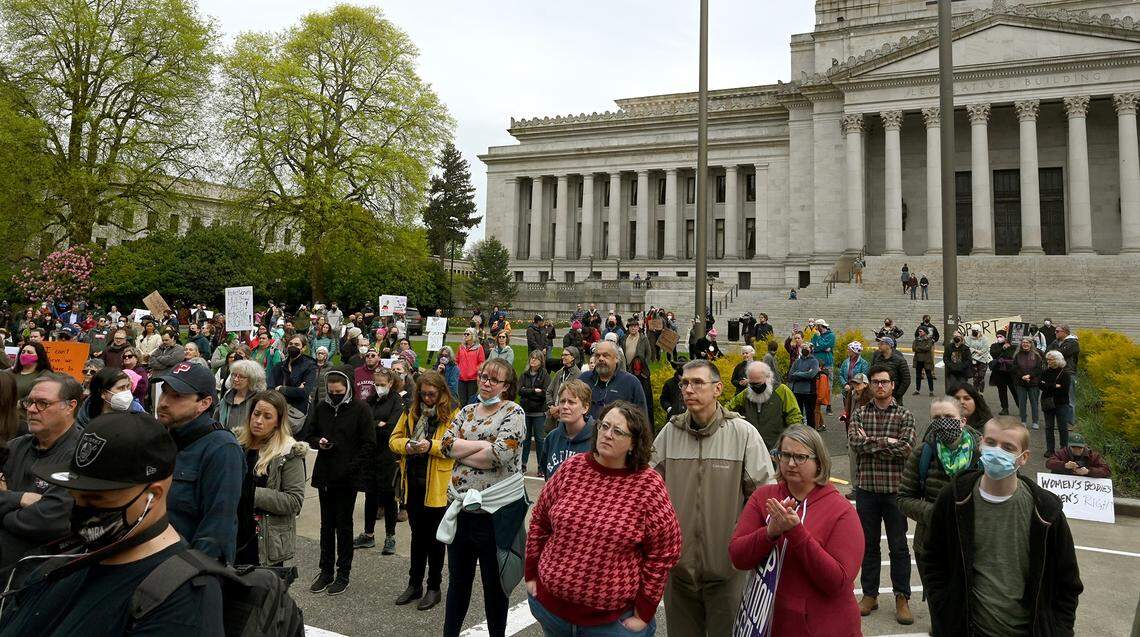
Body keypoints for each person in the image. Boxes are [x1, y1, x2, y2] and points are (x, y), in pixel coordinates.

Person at [0, 412, 225, 636]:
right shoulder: (64, 561)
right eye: (75, 497)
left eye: (97, 499)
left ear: (153, 495)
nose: (81, 510)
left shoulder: (182, 595)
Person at [525, 401, 681, 636]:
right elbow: (540, 521)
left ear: (633, 444)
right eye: (604, 426)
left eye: (618, 431)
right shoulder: (572, 469)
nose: (607, 434)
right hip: (552, 611)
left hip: (609, 624)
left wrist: (643, 613)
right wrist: (531, 574)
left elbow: (664, 553)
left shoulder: (648, 486)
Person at [921, 416, 1083, 636]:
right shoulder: (955, 497)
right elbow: (933, 558)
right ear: (980, 445)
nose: (996, 451)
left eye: (1008, 447)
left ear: (1023, 457)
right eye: (990, 442)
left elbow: (1067, 582)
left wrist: (1060, 631)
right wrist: (943, 612)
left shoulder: (1045, 510)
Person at [652, 359, 775, 637]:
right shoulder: (670, 434)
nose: (688, 389)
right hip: (678, 573)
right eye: (684, 383)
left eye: (697, 382)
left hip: (728, 573)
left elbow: (764, 497)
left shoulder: (742, 434)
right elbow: (646, 491)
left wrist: (744, 544)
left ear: (718, 388)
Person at [730, 426, 863, 636]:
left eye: (800, 457)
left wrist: (797, 533)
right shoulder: (763, 497)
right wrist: (769, 533)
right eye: (785, 455)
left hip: (825, 628)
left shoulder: (841, 511)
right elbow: (738, 557)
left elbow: (837, 582)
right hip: (769, 624)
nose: (791, 463)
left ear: (819, 462)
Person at [438, 358, 528, 637]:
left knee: (494, 586)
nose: (486, 383)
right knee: (458, 583)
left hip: (495, 516)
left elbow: (500, 454)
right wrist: (482, 445)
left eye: (494, 379)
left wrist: (464, 451)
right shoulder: (465, 410)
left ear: (506, 385)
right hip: (462, 511)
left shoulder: (514, 412)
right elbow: (445, 446)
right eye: (483, 377)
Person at [897, 397, 981, 620]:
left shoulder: (982, 452)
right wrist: (935, 513)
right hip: (932, 542)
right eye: (937, 418)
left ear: (962, 421)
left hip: (974, 543)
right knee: (939, 606)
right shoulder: (923, 453)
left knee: (971, 606)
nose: (943, 422)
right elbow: (904, 497)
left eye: (949, 417)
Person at [153, 361, 244, 564]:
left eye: (176, 396)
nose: (164, 402)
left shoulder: (222, 448)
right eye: (164, 392)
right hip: (153, 565)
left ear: (203, 403)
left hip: (187, 574)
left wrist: (191, 578)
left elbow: (216, 530)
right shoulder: (162, 437)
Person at [849, 364, 917, 624]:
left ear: (892, 385)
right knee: (868, 545)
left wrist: (873, 442)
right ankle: (870, 595)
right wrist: (888, 441)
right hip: (867, 491)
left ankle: (902, 597)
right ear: (870, 385)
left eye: (884, 382)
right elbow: (856, 443)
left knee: (899, 546)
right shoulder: (859, 413)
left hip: (894, 492)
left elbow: (907, 447)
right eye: (875, 382)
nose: (879, 386)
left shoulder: (904, 415)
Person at [390, 371, 457, 611]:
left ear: (441, 393)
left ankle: (434, 587)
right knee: (417, 538)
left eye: (432, 394)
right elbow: (394, 439)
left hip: (437, 489)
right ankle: (414, 584)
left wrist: (431, 446)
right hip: (414, 486)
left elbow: (455, 446)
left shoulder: (453, 413)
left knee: (436, 541)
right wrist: (407, 445)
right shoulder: (412, 411)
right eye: (424, 394)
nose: (427, 398)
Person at [0, 374, 83, 567]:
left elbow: (52, 519)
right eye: (29, 402)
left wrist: (4, 506)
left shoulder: (81, 455)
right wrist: (20, 499)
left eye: (42, 403)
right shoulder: (13, 447)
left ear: (70, 406)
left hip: (38, 567)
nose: (30, 409)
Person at [305, 370, 375, 595]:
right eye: (331, 392)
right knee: (326, 526)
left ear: (347, 389)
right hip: (325, 473)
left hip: (347, 477)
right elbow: (310, 434)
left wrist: (350, 468)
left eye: (339, 392)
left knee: (344, 526)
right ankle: (325, 570)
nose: (335, 395)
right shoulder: (322, 408)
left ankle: (343, 572)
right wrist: (319, 442)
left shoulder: (360, 409)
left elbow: (368, 443)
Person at [234, 390, 306, 566]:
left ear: (278, 422)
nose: (258, 421)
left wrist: (251, 494)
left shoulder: (288, 451)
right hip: (233, 537)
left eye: (267, 417)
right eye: (256, 414)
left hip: (264, 542)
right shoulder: (236, 444)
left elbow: (294, 501)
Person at [354, 368, 403, 555]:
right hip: (371, 456)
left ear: (390, 383)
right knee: (370, 496)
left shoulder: (396, 401)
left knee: (389, 497)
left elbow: (391, 427)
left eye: (382, 384)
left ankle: (390, 536)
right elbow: (362, 424)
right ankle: (368, 534)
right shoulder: (370, 400)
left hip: (388, 456)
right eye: (377, 384)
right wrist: (376, 424)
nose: (379, 387)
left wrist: (376, 426)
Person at [725, 361, 802, 450]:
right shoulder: (746, 394)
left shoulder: (782, 391)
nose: (754, 387)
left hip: (776, 448)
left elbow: (794, 418)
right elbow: (728, 409)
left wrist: (791, 443)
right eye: (751, 384)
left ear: (768, 378)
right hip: (751, 448)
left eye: (758, 384)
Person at [579, 340, 649, 421]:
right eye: (597, 356)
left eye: (605, 355)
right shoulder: (583, 379)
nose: (601, 359)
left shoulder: (631, 383)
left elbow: (642, 418)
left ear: (616, 358)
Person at [540, 379, 596, 478]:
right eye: (562, 401)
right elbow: (547, 474)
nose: (565, 406)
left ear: (585, 408)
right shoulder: (552, 438)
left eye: (571, 402)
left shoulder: (597, 440)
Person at [268, 333, 318, 433]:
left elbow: (304, 392)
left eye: (296, 345)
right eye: (290, 344)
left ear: (303, 348)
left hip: (296, 414)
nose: (292, 347)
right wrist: (296, 390)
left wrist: (281, 389)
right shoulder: (279, 366)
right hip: (278, 412)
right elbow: (270, 390)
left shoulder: (309, 366)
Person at [76, 367, 145, 428]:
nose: (126, 392)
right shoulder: (85, 416)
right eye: (121, 388)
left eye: (128, 387)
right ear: (103, 393)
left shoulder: (136, 410)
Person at [517, 350, 550, 478]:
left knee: (540, 440)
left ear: (541, 361)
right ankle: (523, 464)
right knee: (525, 439)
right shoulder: (524, 374)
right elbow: (520, 390)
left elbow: (544, 393)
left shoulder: (545, 375)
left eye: (536, 359)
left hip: (538, 412)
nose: (533, 361)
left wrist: (528, 392)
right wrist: (533, 391)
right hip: (526, 411)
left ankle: (541, 466)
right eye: (531, 358)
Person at [215, 359, 266, 430]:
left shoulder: (259, 400)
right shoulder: (227, 397)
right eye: (234, 375)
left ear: (252, 379)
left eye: (241, 377)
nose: (235, 379)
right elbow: (216, 421)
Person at [1040, 349, 1073, 457]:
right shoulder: (1045, 372)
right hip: (1048, 402)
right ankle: (1050, 449)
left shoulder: (1065, 374)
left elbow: (1064, 389)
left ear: (1057, 360)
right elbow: (1040, 385)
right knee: (1049, 427)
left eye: (1051, 359)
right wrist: (1054, 386)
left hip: (1061, 403)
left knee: (1062, 427)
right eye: (1048, 359)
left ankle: (1064, 449)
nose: (1048, 361)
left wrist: (1048, 385)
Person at [544, 347, 581, 432]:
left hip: (567, 417)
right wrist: (552, 406)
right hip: (554, 416)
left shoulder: (578, 375)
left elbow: (577, 398)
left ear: (573, 358)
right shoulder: (559, 373)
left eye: (565, 355)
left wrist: (558, 409)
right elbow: (549, 391)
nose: (562, 357)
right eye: (562, 355)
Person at [1045, 431, 1111, 478]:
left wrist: (1088, 471)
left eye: (1080, 447)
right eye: (1074, 447)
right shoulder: (1062, 452)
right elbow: (1049, 463)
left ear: (1084, 446)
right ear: (1069, 446)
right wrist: (1064, 465)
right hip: (1066, 482)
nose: (1077, 450)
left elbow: (1106, 470)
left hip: (1086, 485)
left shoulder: (1093, 455)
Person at [1013, 336, 1044, 431]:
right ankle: (1023, 421)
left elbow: (1038, 369)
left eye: (1027, 343)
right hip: (1020, 382)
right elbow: (1015, 368)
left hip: (1033, 383)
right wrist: (1022, 376)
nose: (1025, 344)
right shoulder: (1017, 355)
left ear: (1031, 344)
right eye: (1024, 342)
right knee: (1022, 403)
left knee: (1034, 403)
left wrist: (1029, 376)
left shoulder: (1037, 355)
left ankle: (1035, 421)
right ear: (1021, 344)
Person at [787, 341, 820, 430]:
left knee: (810, 415)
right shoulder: (797, 361)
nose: (804, 349)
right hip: (797, 392)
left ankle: (811, 434)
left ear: (811, 349)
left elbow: (811, 375)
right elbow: (790, 375)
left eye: (807, 347)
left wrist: (798, 373)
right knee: (798, 415)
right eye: (803, 347)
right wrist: (804, 374)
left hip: (809, 392)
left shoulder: (814, 361)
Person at [871, 336, 910, 405]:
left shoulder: (899, 360)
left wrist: (897, 395)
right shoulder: (877, 359)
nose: (878, 345)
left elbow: (906, 380)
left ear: (889, 345)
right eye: (878, 343)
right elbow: (871, 374)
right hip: (878, 396)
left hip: (894, 398)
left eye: (881, 343)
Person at [989, 330, 1016, 415]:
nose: (999, 338)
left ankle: (1020, 406)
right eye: (997, 336)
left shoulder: (1012, 346)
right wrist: (1003, 348)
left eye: (1001, 336)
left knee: (1014, 390)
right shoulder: (994, 345)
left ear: (1005, 337)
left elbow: (1011, 356)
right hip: (999, 372)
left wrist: (1008, 347)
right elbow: (994, 354)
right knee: (1002, 391)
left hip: (1010, 372)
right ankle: (1004, 408)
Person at [456, 328, 485, 406]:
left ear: (473, 335)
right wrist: (459, 370)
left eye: (467, 334)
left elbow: (481, 362)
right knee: (462, 401)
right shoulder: (461, 347)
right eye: (464, 334)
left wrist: (473, 371)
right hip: (461, 378)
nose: (465, 335)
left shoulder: (479, 348)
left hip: (473, 379)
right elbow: (457, 360)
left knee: (471, 401)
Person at [965, 328, 992, 392]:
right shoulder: (968, 338)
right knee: (975, 377)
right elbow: (967, 347)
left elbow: (985, 349)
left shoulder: (984, 339)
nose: (974, 332)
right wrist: (976, 351)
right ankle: (975, 391)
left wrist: (976, 351)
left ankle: (981, 392)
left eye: (975, 331)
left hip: (983, 360)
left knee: (981, 376)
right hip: (973, 360)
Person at [912, 328, 935, 397]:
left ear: (925, 332)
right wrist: (922, 348)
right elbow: (914, 348)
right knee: (918, 376)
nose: (919, 332)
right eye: (919, 331)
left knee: (929, 376)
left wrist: (919, 348)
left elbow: (927, 348)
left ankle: (931, 391)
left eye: (921, 331)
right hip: (918, 360)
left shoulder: (929, 339)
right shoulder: (917, 339)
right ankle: (917, 390)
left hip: (926, 360)